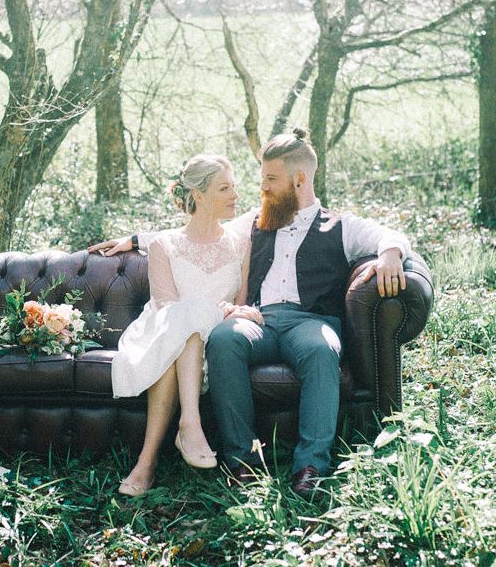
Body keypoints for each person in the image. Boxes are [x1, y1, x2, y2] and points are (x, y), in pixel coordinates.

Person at [92, 129, 411, 497]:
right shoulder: (256, 221)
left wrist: (390, 253)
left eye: (270, 180)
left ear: (300, 179)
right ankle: (242, 462)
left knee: (323, 350)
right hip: (257, 320)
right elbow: (199, 232)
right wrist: (135, 241)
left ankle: (310, 465)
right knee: (225, 338)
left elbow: (388, 235)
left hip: (311, 323)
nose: (263, 188)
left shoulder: (341, 226)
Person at [88, 155, 261, 497]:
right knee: (183, 331)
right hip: (162, 330)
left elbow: (238, 302)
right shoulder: (164, 244)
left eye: (234, 187)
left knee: (191, 334)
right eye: (225, 188)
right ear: (198, 195)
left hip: (214, 339)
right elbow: (167, 307)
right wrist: (212, 310)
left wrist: (227, 312)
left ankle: (147, 463)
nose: (235, 195)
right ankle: (188, 427)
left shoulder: (241, 242)